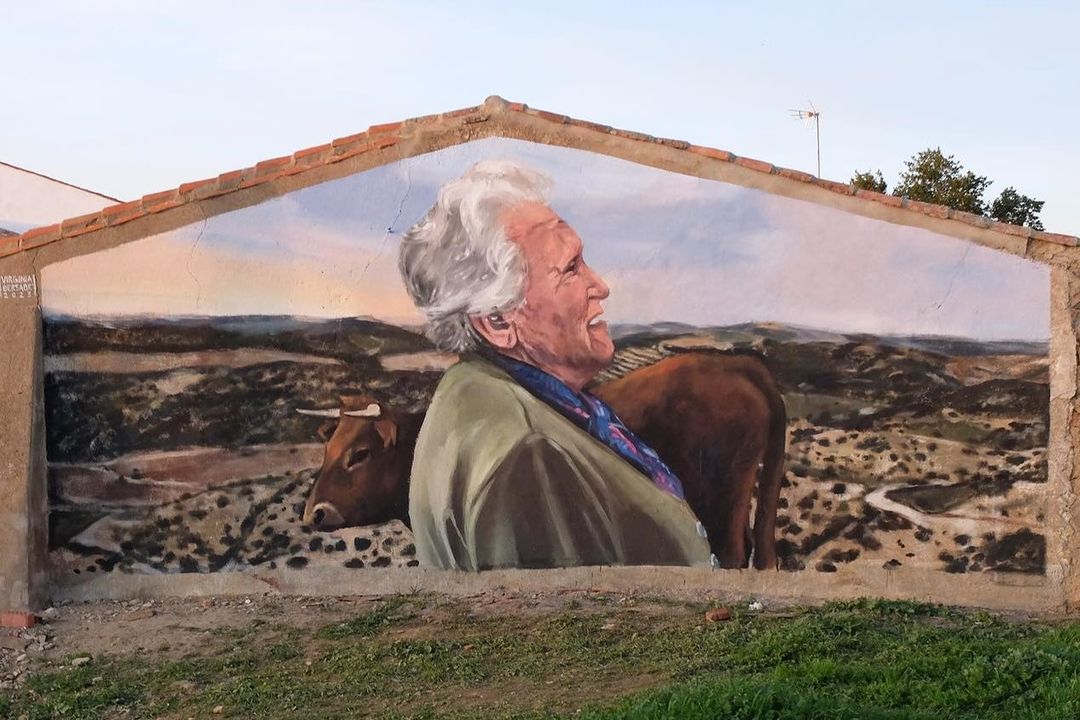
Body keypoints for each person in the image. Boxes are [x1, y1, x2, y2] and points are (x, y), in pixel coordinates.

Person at [398, 161, 714, 571]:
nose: (600, 285)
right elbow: (568, 626)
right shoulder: (529, 458)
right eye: (571, 269)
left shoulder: (475, 390)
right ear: (497, 321)